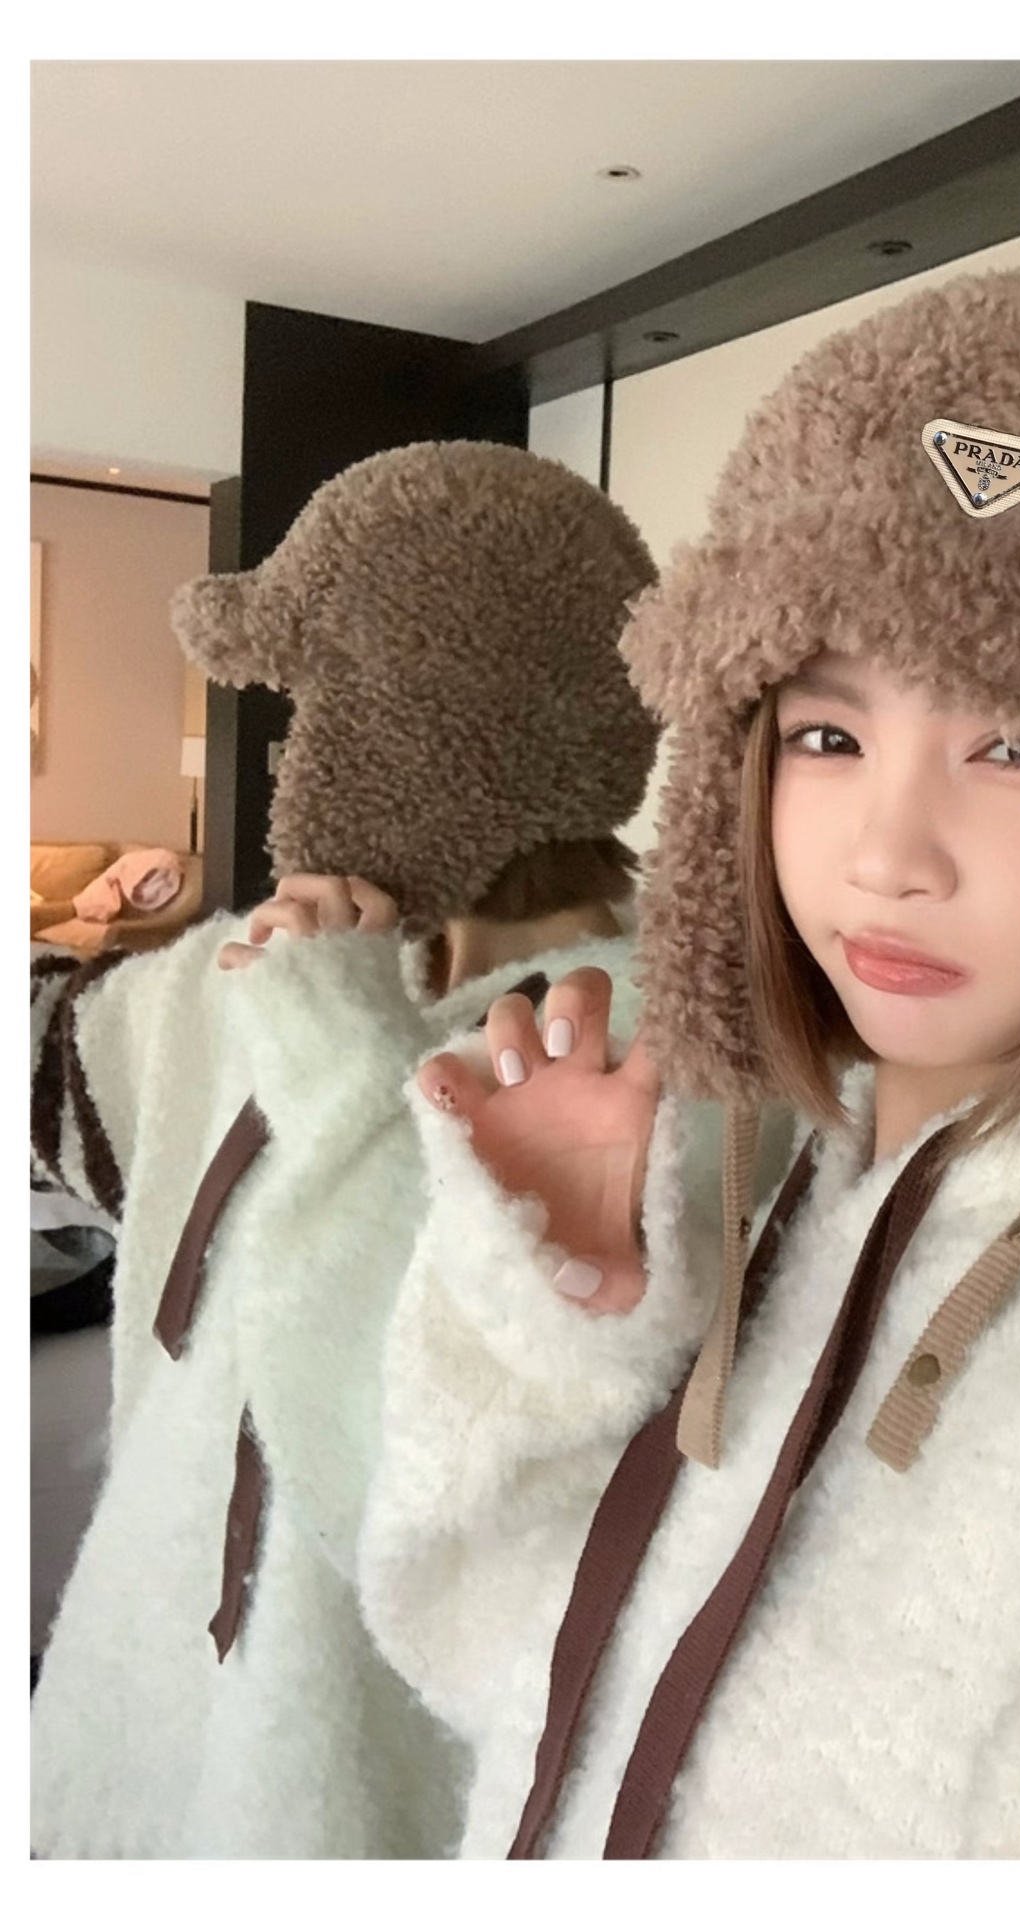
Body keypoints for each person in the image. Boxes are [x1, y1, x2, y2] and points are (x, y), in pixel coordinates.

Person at [347, 272, 1020, 1857]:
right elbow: (514, 1671)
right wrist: (559, 1325)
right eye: (828, 737)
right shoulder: (820, 1183)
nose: (890, 856)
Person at [29, 440, 660, 1858]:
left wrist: (336, 1041)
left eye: (317, 709)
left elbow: (430, 1439)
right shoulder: (280, 968)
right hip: (144, 1713)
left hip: (356, 1788)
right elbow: (65, 1066)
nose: (293, 761)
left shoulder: (651, 1050)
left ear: (413, 726)